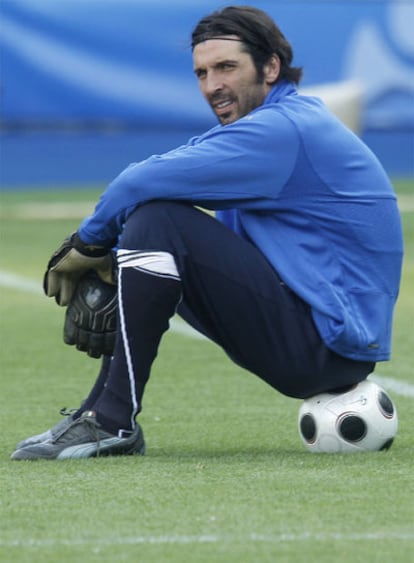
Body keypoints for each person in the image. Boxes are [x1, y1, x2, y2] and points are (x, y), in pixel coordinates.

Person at [12, 5, 403, 460]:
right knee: (147, 224)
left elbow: (137, 182)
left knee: (156, 219)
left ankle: (112, 420)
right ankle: (101, 416)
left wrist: (87, 245)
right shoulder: (268, 126)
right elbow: (149, 179)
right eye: (201, 72)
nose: (212, 85)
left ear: (271, 67)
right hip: (319, 337)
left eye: (226, 67)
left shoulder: (281, 130)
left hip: (325, 346)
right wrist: (114, 255)